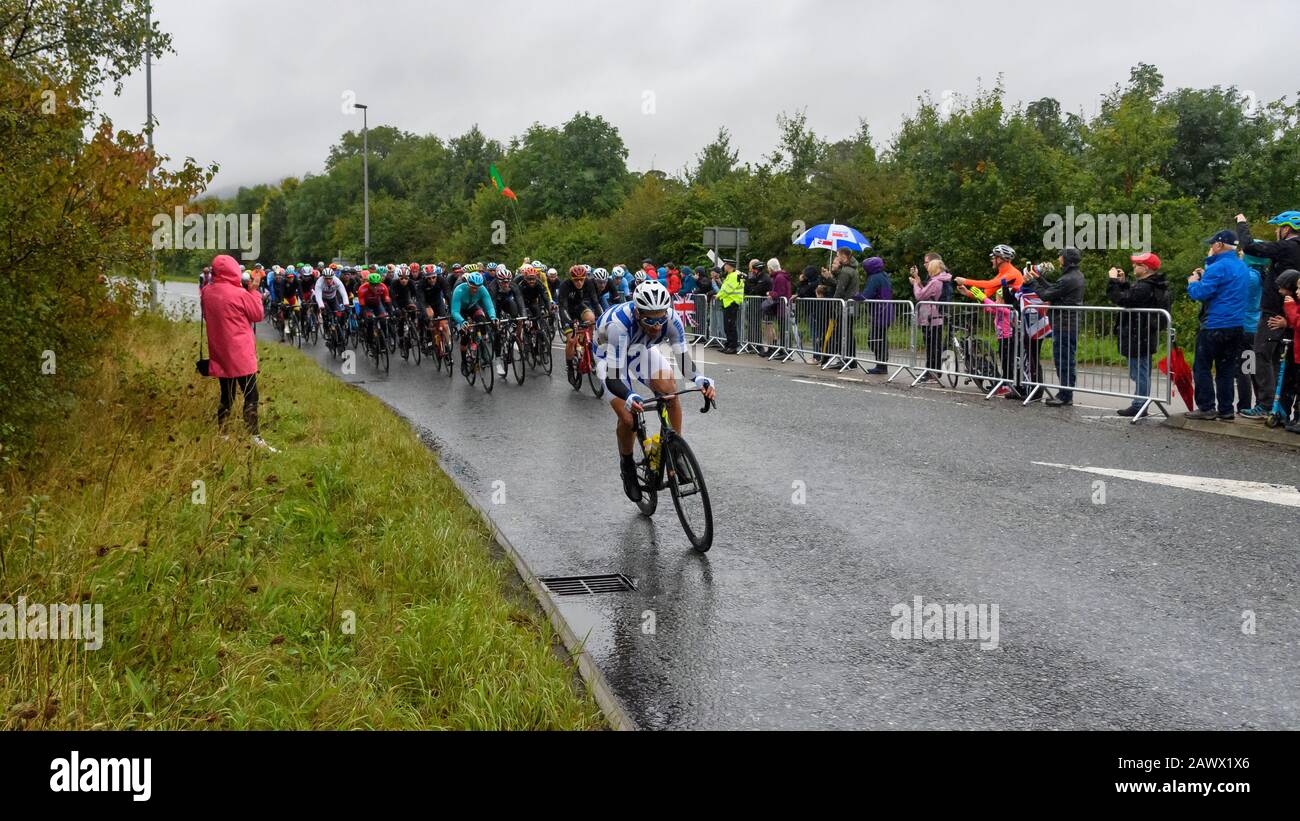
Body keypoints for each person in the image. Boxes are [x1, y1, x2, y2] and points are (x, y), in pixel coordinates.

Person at [594, 281, 716, 503]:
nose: (657, 325)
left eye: (661, 318)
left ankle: (675, 452)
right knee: (628, 416)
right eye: (650, 319)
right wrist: (630, 395)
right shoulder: (619, 326)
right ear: (638, 312)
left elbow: (684, 362)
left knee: (670, 391)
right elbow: (614, 377)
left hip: (640, 349)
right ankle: (628, 465)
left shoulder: (671, 320)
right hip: (609, 355)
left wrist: (701, 379)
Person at [199, 255, 275, 451]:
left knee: (227, 395)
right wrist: (254, 292)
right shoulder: (240, 294)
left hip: (219, 351)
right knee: (251, 394)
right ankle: (255, 437)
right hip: (240, 352)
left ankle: (223, 434)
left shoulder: (207, 292)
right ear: (233, 271)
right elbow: (257, 315)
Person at [1236, 211, 1300, 420]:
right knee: (1276, 358)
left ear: (1287, 228)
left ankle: (1265, 404)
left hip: (1275, 311)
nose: (1275, 231)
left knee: (1260, 355)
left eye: (1278, 228)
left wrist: (1242, 224)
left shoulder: (1289, 246)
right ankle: (1277, 407)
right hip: (1288, 312)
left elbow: (1250, 247)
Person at [1186, 230, 1251, 420]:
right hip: (1237, 324)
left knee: (1202, 367)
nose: (1210, 247)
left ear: (1219, 245)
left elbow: (1201, 293)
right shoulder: (1242, 266)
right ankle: (1226, 409)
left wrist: (1193, 283)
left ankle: (1206, 407)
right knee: (1226, 369)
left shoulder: (1218, 267)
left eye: (1212, 244)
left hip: (1215, 324)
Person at [1106, 252, 1169, 417]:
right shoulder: (1153, 284)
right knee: (1141, 370)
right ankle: (1140, 402)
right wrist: (1123, 283)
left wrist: (1113, 281)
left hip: (1138, 334)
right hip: (1142, 333)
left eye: (1136, 265)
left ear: (1146, 268)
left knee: (1139, 371)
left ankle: (1140, 404)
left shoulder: (1145, 286)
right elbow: (1133, 297)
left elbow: (1122, 299)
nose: (1133, 267)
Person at [1029, 247, 1085, 406]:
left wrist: (1031, 282)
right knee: (1066, 359)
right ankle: (1066, 393)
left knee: (1064, 360)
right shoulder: (1074, 276)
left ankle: (1065, 395)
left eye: (1061, 256)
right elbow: (1055, 290)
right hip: (1067, 324)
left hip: (1065, 324)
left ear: (1067, 259)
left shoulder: (1068, 278)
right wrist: (1039, 279)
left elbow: (1046, 295)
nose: (1059, 258)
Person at [1267, 269, 1300, 432]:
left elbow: (1296, 321)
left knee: (1296, 383)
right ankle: (1282, 411)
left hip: (1296, 347)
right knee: (1287, 381)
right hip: (1292, 347)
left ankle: (1297, 416)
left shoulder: (1292, 302)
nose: (1280, 292)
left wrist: (1288, 319)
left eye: (1283, 288)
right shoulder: (1289, 300)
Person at [911, 259, 951, 381]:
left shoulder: (935, 282)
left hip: (931, 317)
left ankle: (931, 372)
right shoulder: (942, 280)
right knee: (934, 345)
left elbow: (920, 295)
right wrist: (917, 278)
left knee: (932, 346)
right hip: (936, 316)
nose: (927, 268)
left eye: (929, 267)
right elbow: (926, 292)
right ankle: (932, 371)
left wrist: (914, 284)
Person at [1237, 255, 1266, 414]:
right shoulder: (1262, 273)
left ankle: (1245, 405)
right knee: (1254, 369)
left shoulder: (1250, 276)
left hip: (1246, 325)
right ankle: (1259, 403)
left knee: (1245, 369)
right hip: (1256, 325)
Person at [558, 264, 602, 365]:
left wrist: (601, 316)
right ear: (571, 278)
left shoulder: (589, 283)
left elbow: (595, 302)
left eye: (581, 279)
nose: (579, 282)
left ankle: (588, 345)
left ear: (585, 277)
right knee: (571, 340)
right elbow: (563, 307)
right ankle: (569, 366)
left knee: (591, 318)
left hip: (579, 307)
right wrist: (570, 321)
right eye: (576, 280)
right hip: (567, 311)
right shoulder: (565, 285)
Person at [858, 256, 892, 374]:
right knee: (880, 338)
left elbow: (867, 294)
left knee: (875, 339)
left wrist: (855, 296)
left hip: (880, 312)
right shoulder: (884, 275)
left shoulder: (874, 278)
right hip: (886, 311)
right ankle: (882, 364)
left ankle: (881, 365)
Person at [716, 260, 745, 354]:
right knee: (727, 326)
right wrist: (719, 295)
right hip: (727, 302)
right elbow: (723, 288)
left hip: (732, 302)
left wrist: (718, 296)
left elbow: (728, 290)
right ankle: (728, 344)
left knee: (731, 326)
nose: (724, 267)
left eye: (725, 265)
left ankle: (733, 346)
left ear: (729, 266)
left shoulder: (734, 275)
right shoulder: (730, 275)